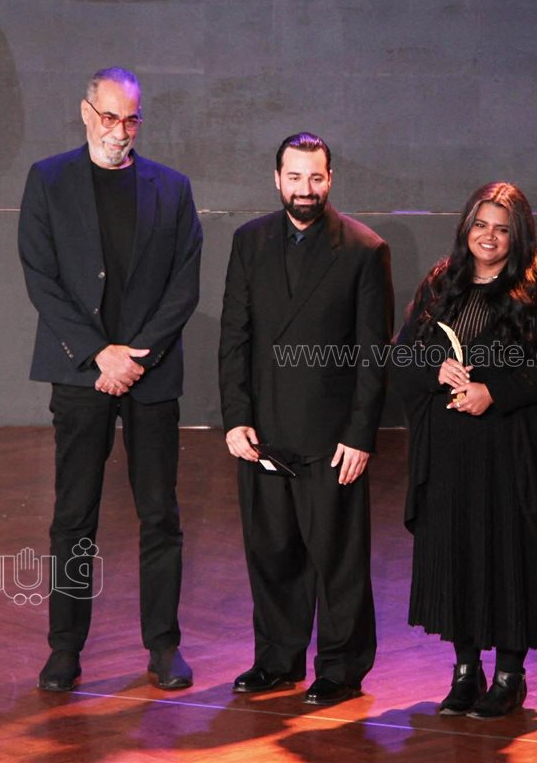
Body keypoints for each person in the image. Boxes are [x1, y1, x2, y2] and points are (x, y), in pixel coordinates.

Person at [18, 67, 202, 692]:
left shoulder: (172, 189)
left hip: (150, 374)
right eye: (108, 117)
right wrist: (100, 354)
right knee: (74, 516)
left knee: (160, 515)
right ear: (85, 112)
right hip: (79, 372)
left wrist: (135, 358)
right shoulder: (48, 179)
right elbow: (41, 277)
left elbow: (184, 285)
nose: (119, 130)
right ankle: (64, 649)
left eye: (130, 119)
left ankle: (164, 647)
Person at [391, 182, 537, 719]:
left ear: (519, 235)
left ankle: (510, 676)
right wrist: (435, 369)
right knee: (458, 555)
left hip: (510, 451)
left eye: (501, 228)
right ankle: (466, 671)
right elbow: (401, 356)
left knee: (508, 556)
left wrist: (494, 391)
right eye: (480, 225)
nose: (489, 237)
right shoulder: (439, 283)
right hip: (450, 452)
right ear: (466, 228)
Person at [218, 133, 392, 706]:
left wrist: (360, 435)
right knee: (272, 552)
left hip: (331, 437)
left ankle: (342, 668)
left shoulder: (365, 249)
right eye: (294, 177)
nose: (305, 189)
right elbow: (235, 335)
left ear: (330, 178)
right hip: (263, 432)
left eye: (315, 178)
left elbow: (373, 353)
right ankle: (277, 660)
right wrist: (236, 418)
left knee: (338, 560)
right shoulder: (249, 241)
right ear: (277, 179)